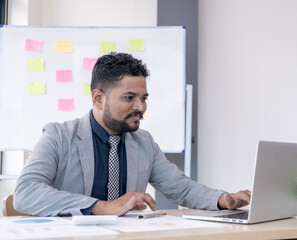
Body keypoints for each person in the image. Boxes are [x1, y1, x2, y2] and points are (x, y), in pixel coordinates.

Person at [14, 53, 251, 217]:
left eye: (144, 98)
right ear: (98, 98)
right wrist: (101, 207)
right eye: (129, 98)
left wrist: (222, 200)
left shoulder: (144, 142)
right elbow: (26, 192)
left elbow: (182, 189)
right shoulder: (58, 136)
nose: (141, 107)